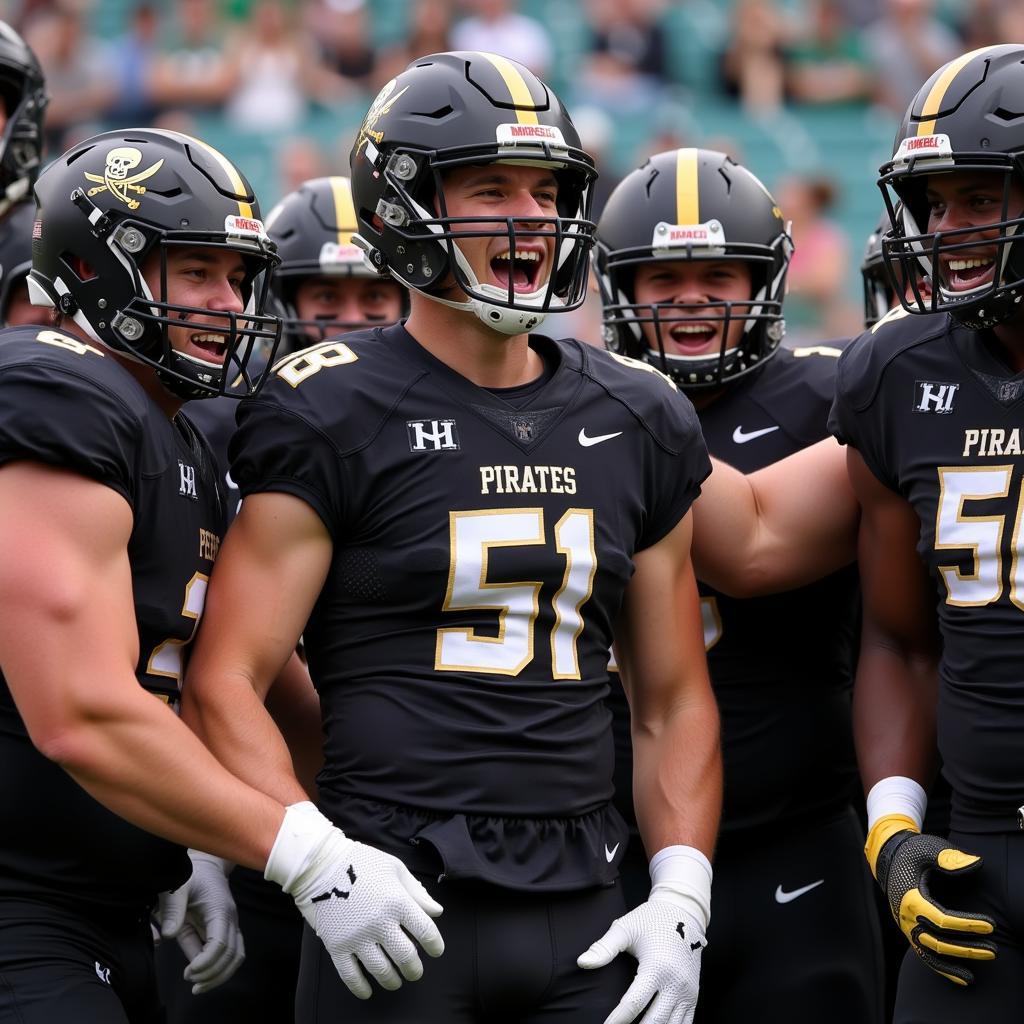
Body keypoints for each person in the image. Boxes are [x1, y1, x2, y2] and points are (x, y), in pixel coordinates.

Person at [182, 50, 721, 1024]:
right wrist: (312, 857)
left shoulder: (640, 413)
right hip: (390, 907)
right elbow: (226, 679)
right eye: (489, 188)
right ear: (401, 207)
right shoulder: (327, 407)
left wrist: (683, 890)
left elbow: (670, 699)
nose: (529, 216)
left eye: (546, 189)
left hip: (590, 911)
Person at [0, 127, 424, 1024]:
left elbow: (257, 689)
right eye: (195, 273)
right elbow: (79, 715)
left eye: (236, 277)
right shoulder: (57, 392)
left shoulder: (181, 429)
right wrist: (303, 855)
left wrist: (409, 828)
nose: (227, 303)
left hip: (102, 906)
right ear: (95, 269)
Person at [692, 43, 1024, 1020]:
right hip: (978, 852)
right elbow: (897, 635)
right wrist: (890, 825)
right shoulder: (900, 371)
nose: (947, 228)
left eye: (979, 198)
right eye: (936, 202)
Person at [595, 146, 883, 1021]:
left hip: (794, 830)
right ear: (618, 287)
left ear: (768, 280)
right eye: (665, 275)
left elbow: (757, 543)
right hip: (609, 840)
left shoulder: (833, 394)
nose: (691, 296)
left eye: (721, 273)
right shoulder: (557, 404)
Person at [157, 174, 407, 1024]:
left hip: (409, 812)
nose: (347, 318)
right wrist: (203, 841)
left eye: (373, 293)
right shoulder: (219, 429)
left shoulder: (457, 423)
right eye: (322, 295)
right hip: (254, 806)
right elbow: (186, 647)